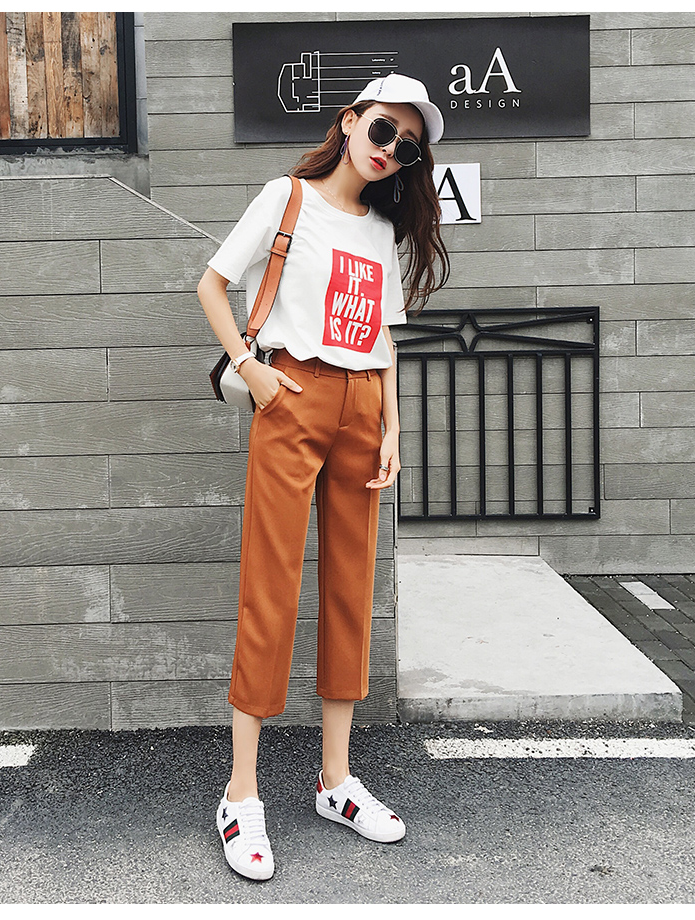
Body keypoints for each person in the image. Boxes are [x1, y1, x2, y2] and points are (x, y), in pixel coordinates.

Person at [197, 73, 449, 882]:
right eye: (383, 131)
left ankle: (335, 780)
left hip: (363, 409)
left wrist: (393, 427)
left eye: (407, 148)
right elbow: (211, 283)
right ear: (349, 121)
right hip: (293, 397)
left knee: (349, 590)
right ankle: (240, 794)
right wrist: (250, 368)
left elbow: (384, 337)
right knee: (269, 588)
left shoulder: (380, 231)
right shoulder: (287, 198)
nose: (391, 151)